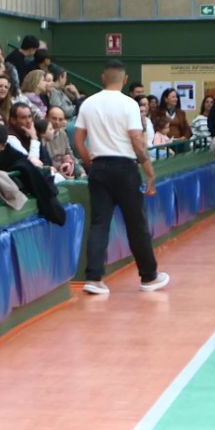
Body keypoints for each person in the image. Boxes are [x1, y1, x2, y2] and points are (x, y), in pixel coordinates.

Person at [72, 62, 166, 295]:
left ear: (103, 77)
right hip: (125, 168)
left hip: (99, 168)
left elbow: (78, 140)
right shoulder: (129, 104)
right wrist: (149, 172)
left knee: (99, 223)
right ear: (125, 80)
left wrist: (90, 162)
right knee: (136, 224)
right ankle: (149, 277)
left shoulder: (89, 103)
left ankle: (94, 278)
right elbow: (136, 138)